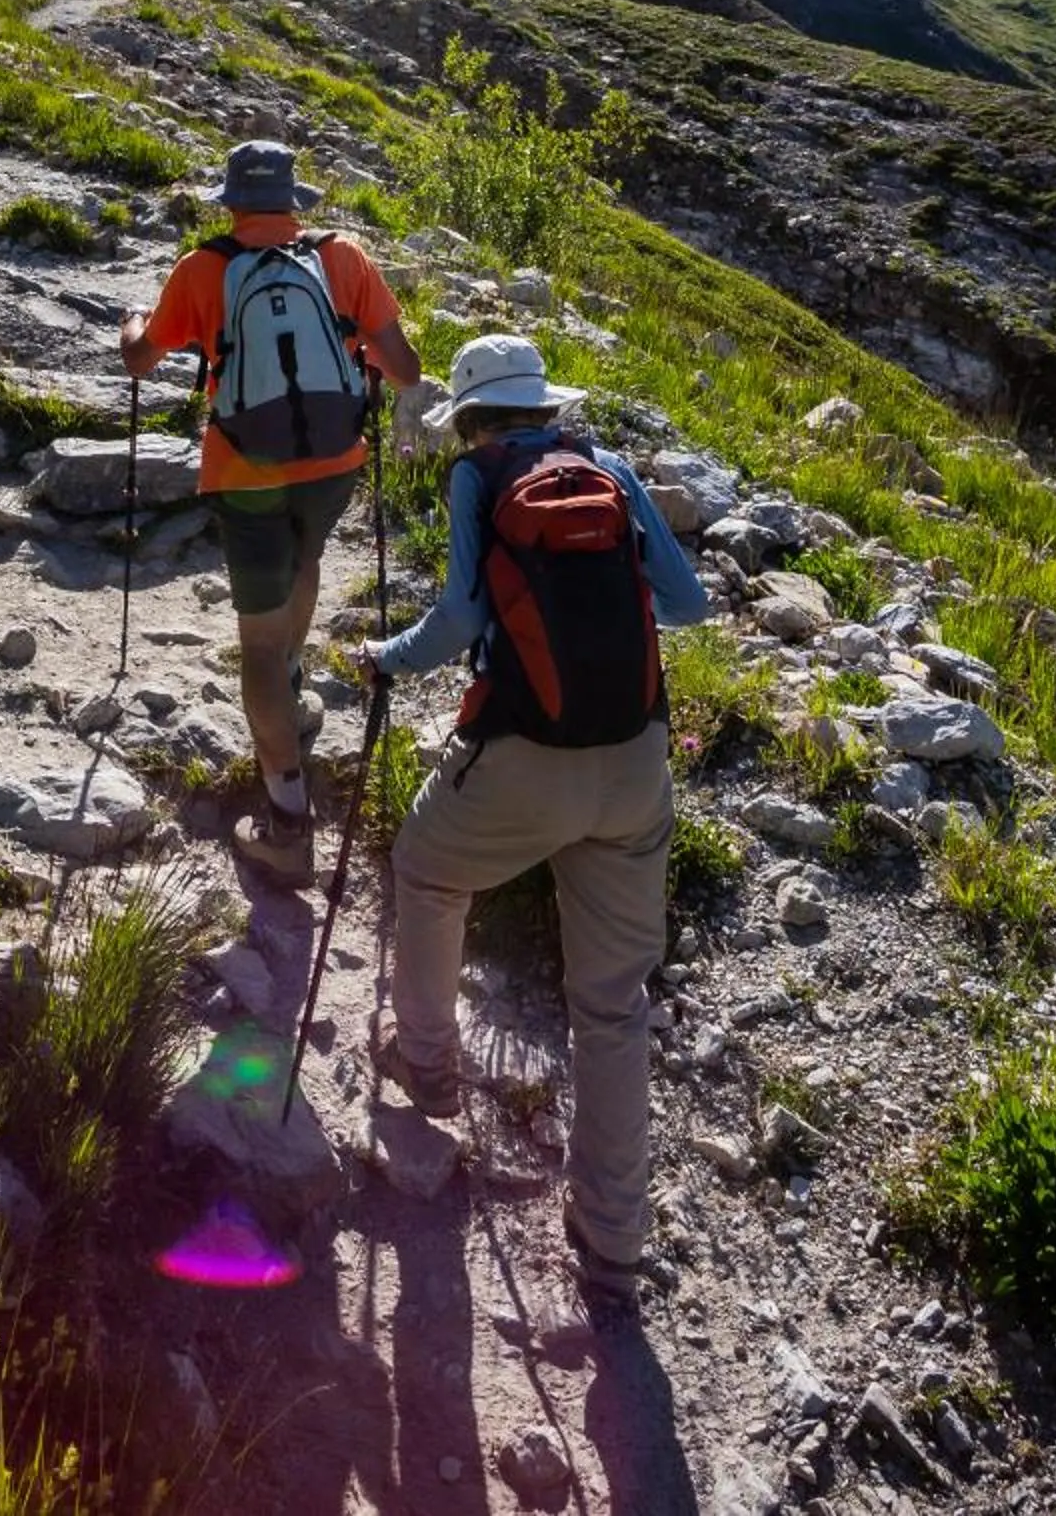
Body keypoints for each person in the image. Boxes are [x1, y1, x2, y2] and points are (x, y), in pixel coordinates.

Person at [362, 331, 709, 1313]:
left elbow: (460, 624)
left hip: (522, 756)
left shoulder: (477, 478)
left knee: (429, 872)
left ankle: (428, 1068)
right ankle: (611, 1243)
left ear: (470, 417)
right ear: (544, 405)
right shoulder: (607, 468)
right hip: (635, 763)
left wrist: (385, 657)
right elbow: (686, 606)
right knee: (610, 1004)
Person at [120, 140, 422, 886]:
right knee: (308, 559)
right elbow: (406, 369)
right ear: (294, 203)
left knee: (251, 645)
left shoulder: (204, 268)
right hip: (335, 464)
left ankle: (288, 819)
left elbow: (141, 361)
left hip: (245, 466)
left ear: (230, 202)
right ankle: (293, 673)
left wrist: (131, 324)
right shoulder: (341, 257)